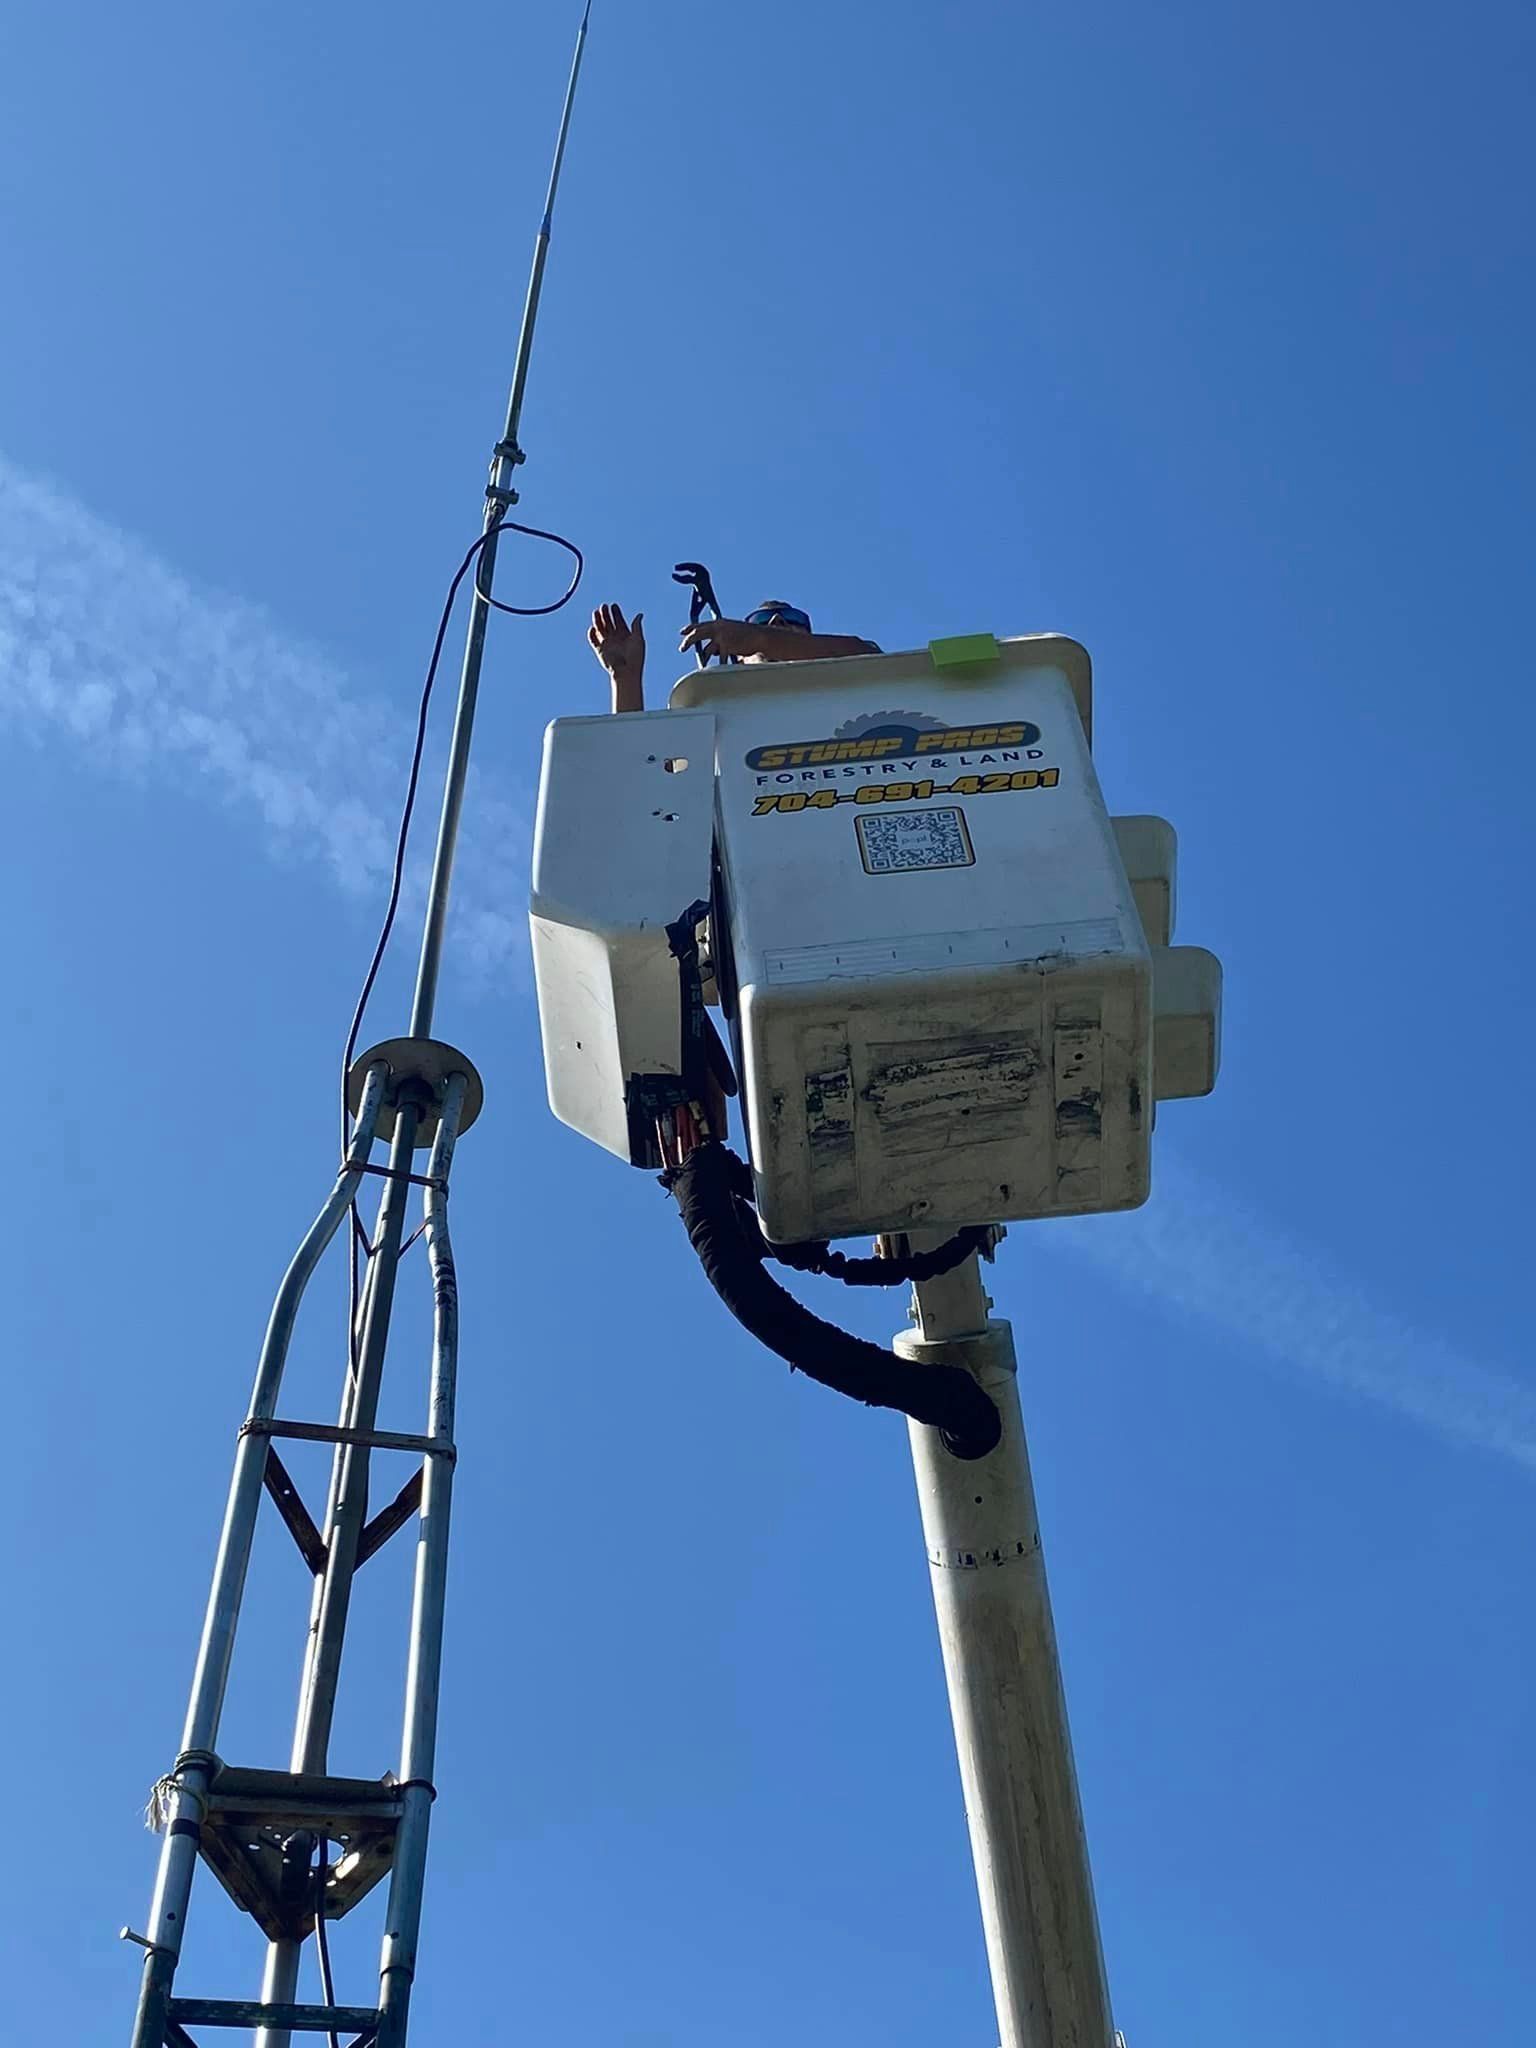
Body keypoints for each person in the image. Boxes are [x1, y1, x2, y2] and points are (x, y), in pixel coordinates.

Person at [588, 596, 879, 714]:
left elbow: (864, 654)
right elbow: (645, 770)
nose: (777, 623)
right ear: (737, 655)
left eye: (791, 619)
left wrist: (761, 637)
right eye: (760, 620)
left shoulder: (858, 687)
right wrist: (625, 680)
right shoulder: (713, 711)